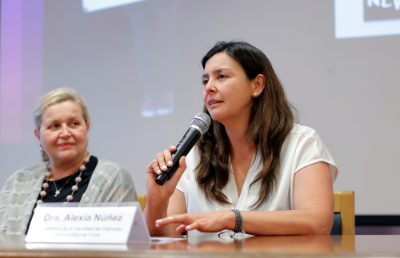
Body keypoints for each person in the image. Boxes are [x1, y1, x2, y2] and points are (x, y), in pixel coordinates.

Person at [145, 41, 338, 236]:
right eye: (205, 81)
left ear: (257, 85)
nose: (209, 88)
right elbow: (163, 236)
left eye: (221, 76)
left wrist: (233, 218)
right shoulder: (193, 154)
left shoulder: (301, 143)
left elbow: (317, 222)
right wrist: (156, 199)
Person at [0, 88, 137, 235]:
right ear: (38, 135)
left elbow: (117, 245)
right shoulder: (18, 180)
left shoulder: (113, 177)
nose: (65, 133)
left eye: (74, 123)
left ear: (87, 127)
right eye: (55, 126)